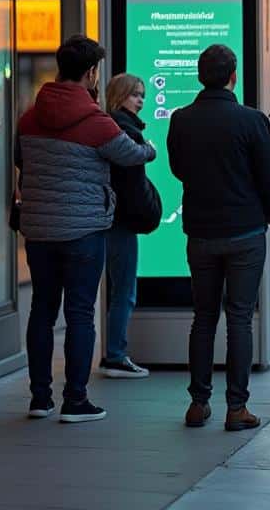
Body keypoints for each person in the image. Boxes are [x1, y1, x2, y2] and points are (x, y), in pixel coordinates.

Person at [16, 35, 156, 423]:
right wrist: (151, 148)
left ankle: (39, 399)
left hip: (40, 231)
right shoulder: (96, 121)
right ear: (92, 72)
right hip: (83, 231)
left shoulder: (29, 117)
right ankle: (75, 400)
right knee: (80, 313)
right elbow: (132, 154)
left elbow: (19, 158)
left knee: (42, 310)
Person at [168, 44, 270, 431]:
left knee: (203, 317)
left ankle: (198, 404)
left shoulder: (181, 119)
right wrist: (262, 212)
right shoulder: (251, 121)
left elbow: (178, 169)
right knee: (239, 318)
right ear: (233, 76)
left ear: (200, 76)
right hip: (246, 231)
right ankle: (237, 408)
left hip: (200, 230)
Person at [101, 73, 158, 380]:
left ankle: (114, 353)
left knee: (120, 288)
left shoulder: (115, 126)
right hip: (120, 221)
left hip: (111, 218)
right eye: (135, 94)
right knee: (125, 290)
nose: (141, 100)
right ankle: (116, 355)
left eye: (143, 95)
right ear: (119, 95)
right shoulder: (125, 131)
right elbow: (132, 185)